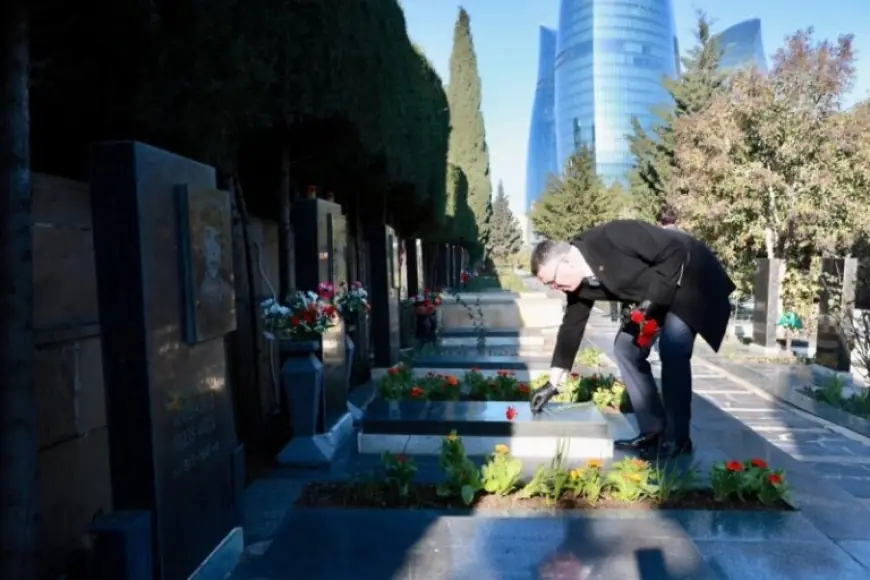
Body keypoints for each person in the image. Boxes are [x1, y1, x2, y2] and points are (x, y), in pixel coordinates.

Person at [529, 219, 735, 459]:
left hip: (690, 278)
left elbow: (675, 251)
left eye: (552, 281)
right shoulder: (576, 284)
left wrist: (650, 303)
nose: (555, 287)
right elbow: (571, 326)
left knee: (673, 347)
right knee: (626, 348)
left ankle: (678, 439)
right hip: (657, 294)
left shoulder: (613, 236)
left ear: (566, 261)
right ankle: (653, 431)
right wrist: (553, 383)